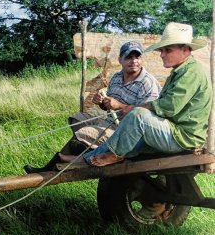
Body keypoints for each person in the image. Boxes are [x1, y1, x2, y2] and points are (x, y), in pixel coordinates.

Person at [83, 22, 212, 167]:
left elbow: (169, 107)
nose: (162, 55)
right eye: (161, 50)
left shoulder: (190, 73)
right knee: (133, 134)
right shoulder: (180, 71)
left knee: (138, 115)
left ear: (185, 50)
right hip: (172, 129)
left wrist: (132, 108)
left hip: (183, 137)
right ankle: (85, 159)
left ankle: (114, 155)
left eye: (167, 50)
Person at [24, 40, 161, 173]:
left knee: (84, 133)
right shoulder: (117, 77)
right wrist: (102, 102)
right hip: (110, 122)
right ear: (120, 60)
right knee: (77, 118)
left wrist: (119, 105)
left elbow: (147, 114)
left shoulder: (147, 83)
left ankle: (57, 164)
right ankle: (93, 150)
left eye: (137, 57)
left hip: (127, 132)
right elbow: (108, 107)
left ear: (141, 59)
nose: (134, 61)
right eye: (129, 57)